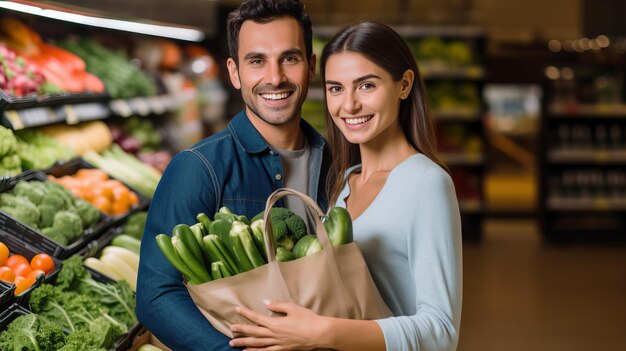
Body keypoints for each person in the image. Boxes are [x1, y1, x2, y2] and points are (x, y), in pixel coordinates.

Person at [228, 21, 463, 351]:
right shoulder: (345, 181)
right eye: (335, 88)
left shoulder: (426, 184)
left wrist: (320, 333)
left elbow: (441, 332)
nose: (348, 104)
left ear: (404, 85)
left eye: (366, 86)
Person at [135, 1, 331, 349]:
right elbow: (156, 295)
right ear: (235, 72)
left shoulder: (335, 163)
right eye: (257, 61)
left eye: (290, 58)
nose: (275, 77)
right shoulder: (197, 168)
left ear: (311, 66)